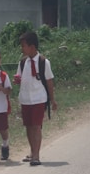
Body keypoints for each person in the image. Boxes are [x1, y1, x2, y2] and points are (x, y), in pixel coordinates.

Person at [14, 32, 57, 166]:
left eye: (24, 46)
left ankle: (36, 155)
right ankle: (32, 151)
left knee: (36, 126)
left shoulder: (44, 62)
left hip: (39, 98)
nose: (22, 49)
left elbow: (49, 82)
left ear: (32, 47)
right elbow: (20, 77)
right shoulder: (22, 62)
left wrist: (52, 99)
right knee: (28, 126)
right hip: (26, 99)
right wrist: (17, 81)